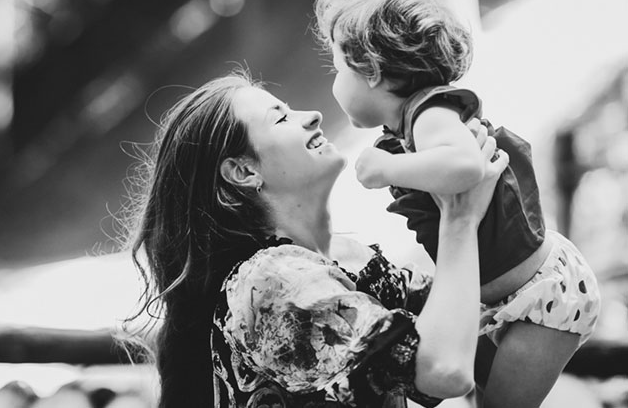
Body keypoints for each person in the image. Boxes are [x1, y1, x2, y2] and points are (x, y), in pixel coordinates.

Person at [119, 71, 508, 407]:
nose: (314, 116)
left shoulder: (345, 258)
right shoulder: (272, 283)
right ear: (243, 171)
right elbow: (443, 371)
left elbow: (474, 318)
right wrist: (459, 219)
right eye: (281, 118)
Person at [314, 0, 601, 407]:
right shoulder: (414, 127)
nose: (333, 84)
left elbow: (467, 166)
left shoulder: (430, 115)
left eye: (337, 69)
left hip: (545, 296)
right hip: (508, 298)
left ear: (370, 71)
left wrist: (389, 168)